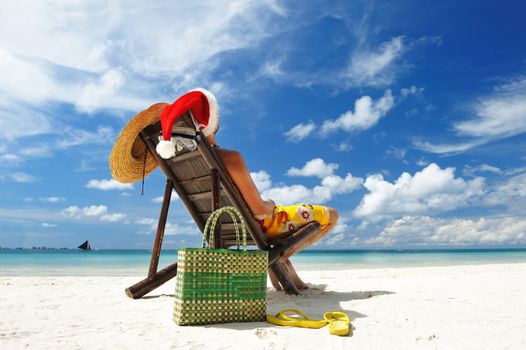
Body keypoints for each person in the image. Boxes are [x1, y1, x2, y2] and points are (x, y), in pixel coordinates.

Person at [155, 88, 340, 290]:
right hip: (262, 224)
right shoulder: (229, 158)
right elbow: (259, 210)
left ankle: (286, 268)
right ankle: (278, 258)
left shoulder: (183, 165)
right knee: (331, 215)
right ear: (211, 121)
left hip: (224, 226)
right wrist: (270, 204)